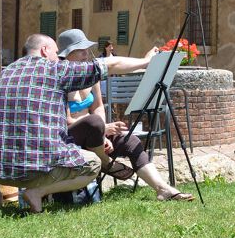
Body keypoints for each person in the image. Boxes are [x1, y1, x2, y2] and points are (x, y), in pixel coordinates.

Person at [0, 33, 160, 213]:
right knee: (93, 163)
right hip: (33, 172)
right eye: (55, 52)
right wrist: (146, 61)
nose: (57, 57)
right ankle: (37, 192)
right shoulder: (55, 69)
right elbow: (110, 64)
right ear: (44, 50)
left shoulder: (5, 73)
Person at [57, 28, 194, 202]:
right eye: (80, 50)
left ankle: (162, 189)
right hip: (69, 136)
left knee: (130, 140)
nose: (86, 54)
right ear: (67, 54)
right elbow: (67, 120)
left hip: (94, 133)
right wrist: (101, 129)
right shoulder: (60, 78)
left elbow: (98, 106)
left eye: (86, 49)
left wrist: (102, 133)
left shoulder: (89, 74)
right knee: (93, 122)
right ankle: (106, 162)